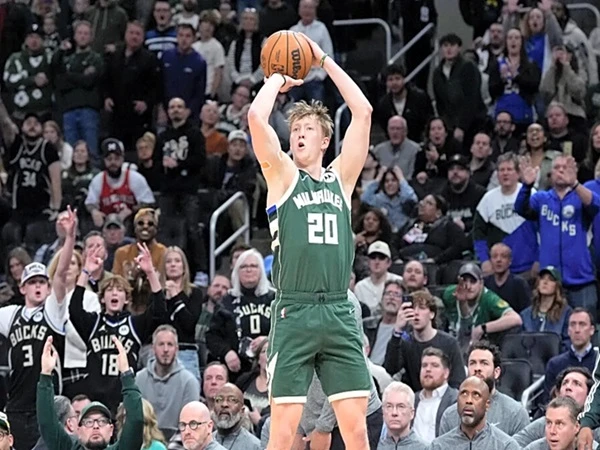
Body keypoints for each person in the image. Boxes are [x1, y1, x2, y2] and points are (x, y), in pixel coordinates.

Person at [247, 33, 373, 450]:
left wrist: (323, 60)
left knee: (356, 430)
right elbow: (256, 118)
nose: (299, 135)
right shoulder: (282, 176)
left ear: (324, 141)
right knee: (283, 432)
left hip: (339, 308)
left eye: (308, 129)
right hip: (295, 310)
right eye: (295, 129)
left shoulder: (342, 179)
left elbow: (363, 111)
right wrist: (276, 78)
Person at [0, 208, 76, 450]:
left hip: (47, 405)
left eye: (42, 282)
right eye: (32, 282)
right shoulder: (11, 314)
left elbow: (61, 274)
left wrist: (70, 238)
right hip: (17, 404)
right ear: (22, 288)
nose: (38, 287)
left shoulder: (53, 311)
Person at [68, 242, 166, 413]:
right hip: (96, 403)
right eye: (110, 290)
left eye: (119, 290)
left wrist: (150, 272)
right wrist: (85, 272)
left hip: (124, 403)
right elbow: (74, 309)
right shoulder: (93, 323)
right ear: (102, 298)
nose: (114, 293)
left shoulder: (135, 324)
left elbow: (159, 311)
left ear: (126, 299)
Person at [37, 335, 144, 450]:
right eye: (88, 422)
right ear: (78, 430)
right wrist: (45, 375)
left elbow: (136, 420)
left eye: (102, 421)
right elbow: (46, 422)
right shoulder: (68, 447)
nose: (96, 426)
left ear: (111, 430)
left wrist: (126, 374)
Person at [136, 325, 200, 439]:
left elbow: (190, 427)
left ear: (176, 349)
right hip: (145, 442)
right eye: (161, 344)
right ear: (153, 348)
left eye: (170, 344)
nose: (165, 349)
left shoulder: (189, 382)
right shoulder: (139, 379)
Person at [429, 376, 520, 449]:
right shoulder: (438, 446)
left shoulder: (506, 446)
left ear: (487, 404)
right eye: (464, 394)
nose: (468, 400)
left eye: (476, 395)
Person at [377, 382, 428, 449]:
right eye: (389, 406)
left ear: (412, 413)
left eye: (401, 406)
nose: (394, 413)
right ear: (383, 411)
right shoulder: (371, 446)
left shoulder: (426, 448)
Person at [211, 384, 261, 449]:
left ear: (242, 411)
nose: (224, 404)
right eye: (219, 399)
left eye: (232, 400)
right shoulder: (204, 442)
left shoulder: (255, 446)